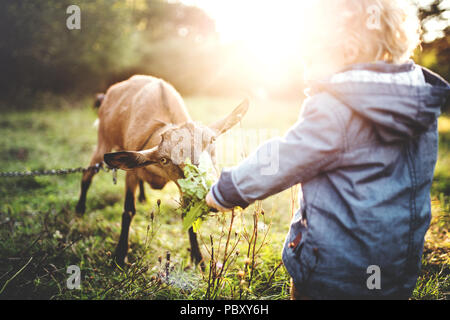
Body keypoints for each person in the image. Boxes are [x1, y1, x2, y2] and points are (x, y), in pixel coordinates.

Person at [205, 0, 450, 299]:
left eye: (310, 57)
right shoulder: (420, 103)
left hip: (333, 271)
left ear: (345, 51)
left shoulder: (336, 109)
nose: (307, 71)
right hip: (394, 268)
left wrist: (228, 189)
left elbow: (284, 157)